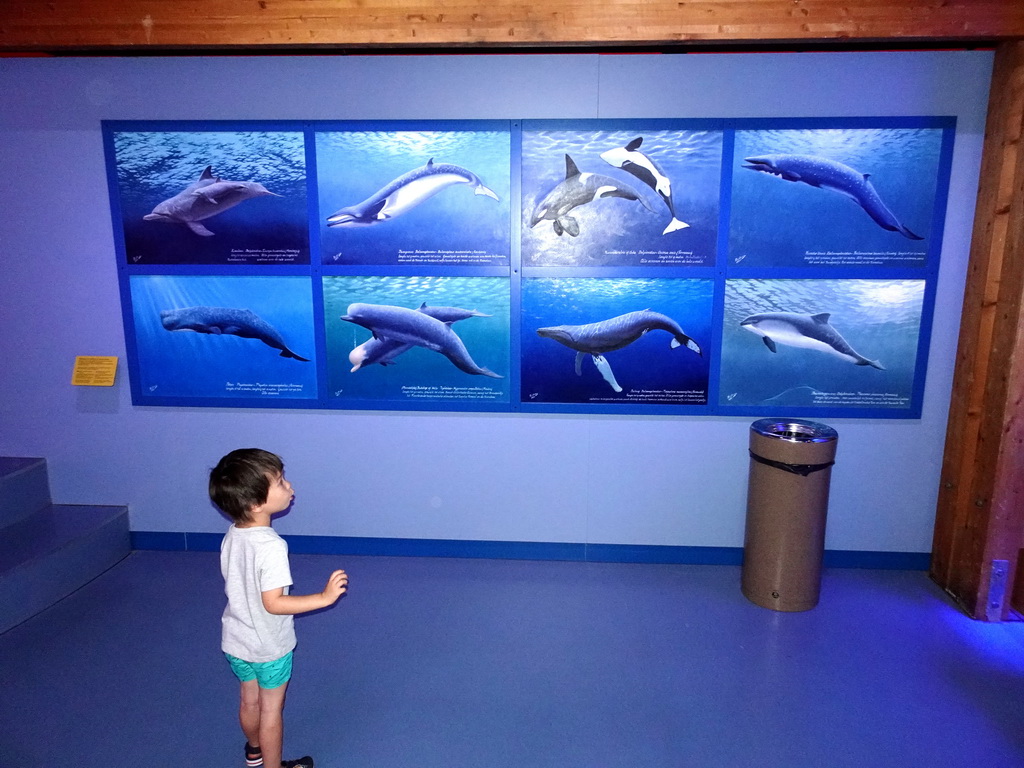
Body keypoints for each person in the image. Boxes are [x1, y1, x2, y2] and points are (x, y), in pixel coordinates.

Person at [209, 448, 348, 768]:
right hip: (270, 647)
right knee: (271, 710)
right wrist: (324, 598)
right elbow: (274, 603)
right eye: (281, 483)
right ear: (256, 503)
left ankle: (254, 752)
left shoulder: (234, 534)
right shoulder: (271, 546)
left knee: (249, 698)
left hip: (236, 640)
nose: (291, 488)